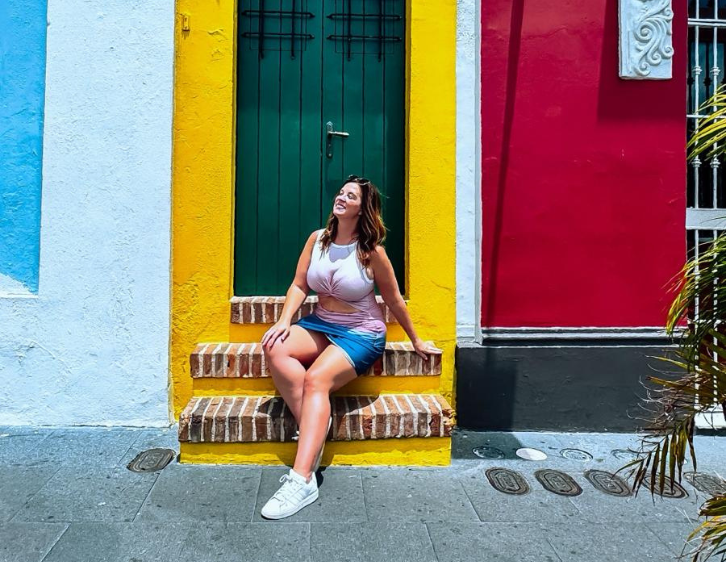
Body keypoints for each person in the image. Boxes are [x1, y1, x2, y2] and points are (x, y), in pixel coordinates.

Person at [259, 174, 441, 519]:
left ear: (362, 209)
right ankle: (316, 422)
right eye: (341, 193)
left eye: (350, 196)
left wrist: (416, 339)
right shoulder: (318, 240)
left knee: (316, 381)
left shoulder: (372, 253)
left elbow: (394, 301)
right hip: (320, 322)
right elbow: (299, 285)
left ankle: (302, 479)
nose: (341, 198)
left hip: (361, 332)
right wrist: (284, 321)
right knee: (275, 347)